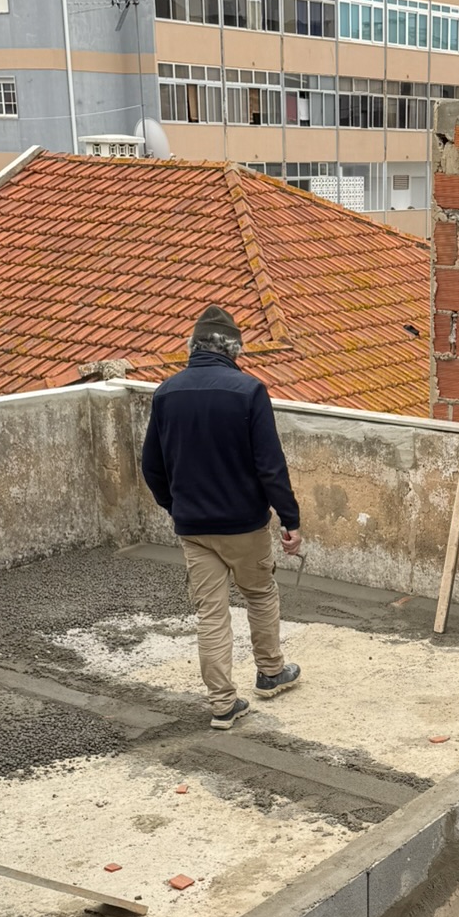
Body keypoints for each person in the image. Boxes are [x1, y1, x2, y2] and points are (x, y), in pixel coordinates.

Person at [141, 304, 302, 731]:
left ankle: (222, 704)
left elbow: (151, 467)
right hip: (243, 523)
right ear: (234, 350)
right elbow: (270, 465)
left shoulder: (166, 392)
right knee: (260, 594)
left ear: (193, 347)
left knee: (210, 615)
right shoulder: (249, 391)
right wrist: (290, 519)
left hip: (194, 526)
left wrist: (174, 506)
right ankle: (270, 672)